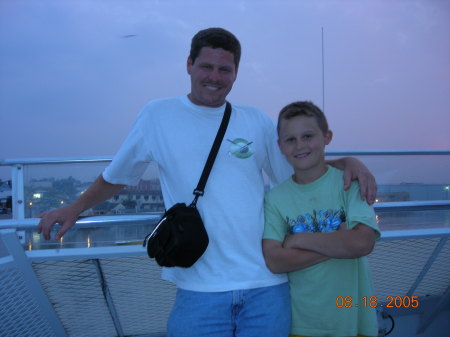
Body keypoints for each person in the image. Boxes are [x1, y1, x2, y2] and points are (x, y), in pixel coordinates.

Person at [38, 28, 377, 337]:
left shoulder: (255, 121)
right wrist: (75, 207)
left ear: (235, 74)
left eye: (224, 70)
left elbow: (300, 166)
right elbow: (118, 176)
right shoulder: (158, 115)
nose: (214, 77)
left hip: (266, 286)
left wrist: (347, 162)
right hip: (198, 288)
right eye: (206, 67)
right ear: (188, 65)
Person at [263, 101, 380, 337]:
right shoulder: (275, 198)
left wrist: (298, 240)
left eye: (308, 136)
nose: (300, 146)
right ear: (280, 146)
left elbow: (362, 243)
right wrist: (340, 242)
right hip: (300, 323)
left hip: (354, 320)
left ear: (327, 137)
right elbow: (275, 260)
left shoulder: (350, 183)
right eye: (291, 139)